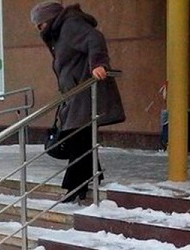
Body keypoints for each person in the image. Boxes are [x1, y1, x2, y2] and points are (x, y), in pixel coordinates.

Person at [31, 1, 125, 202]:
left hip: (84, 92)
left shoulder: (70, 25)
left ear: (50, 19)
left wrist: (99, 63)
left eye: (40, 25)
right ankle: (93, 174)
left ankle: (74, 187)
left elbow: (95, 38)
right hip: (75, 94)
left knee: (77, 137)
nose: (40, 30)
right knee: (80, 136)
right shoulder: (60, 32)